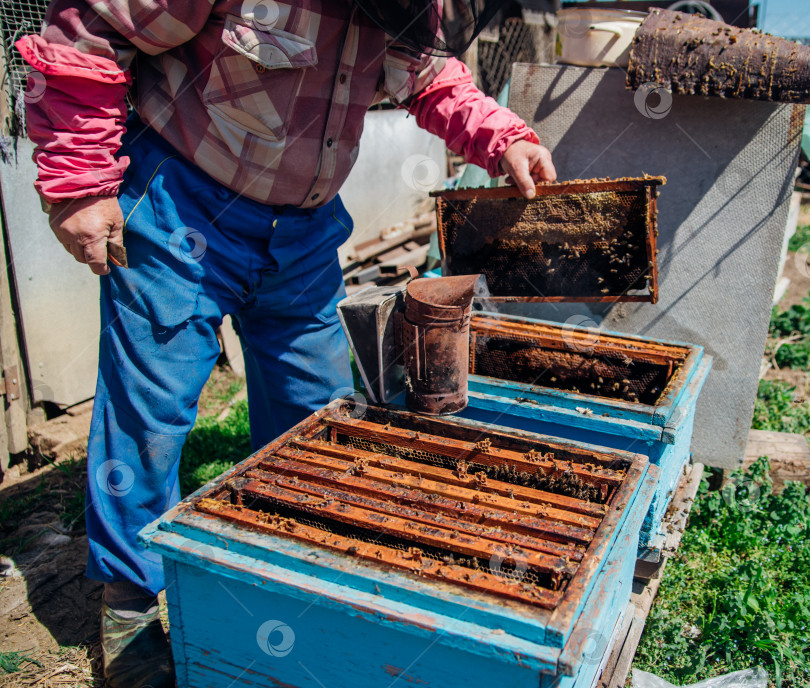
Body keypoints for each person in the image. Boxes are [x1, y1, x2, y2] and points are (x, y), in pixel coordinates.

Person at [18, 1, 556, 685]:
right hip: (180, 208)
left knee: (315, 416)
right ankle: (128, 602)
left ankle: (282, 576)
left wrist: (500, 136)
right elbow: (88, 34)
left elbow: (423, 74)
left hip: (301, 234)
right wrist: (78, 185)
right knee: (149, 415)